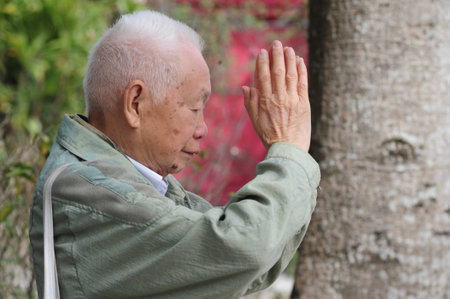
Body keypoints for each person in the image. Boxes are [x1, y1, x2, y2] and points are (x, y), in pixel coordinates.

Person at [29, 10, 320, 298]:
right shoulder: (85, 187)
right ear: (135, 103)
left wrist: (290, 155)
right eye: (194, 109)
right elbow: (244, 247)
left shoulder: (128, 180)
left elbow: (248, 265)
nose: (202, 128)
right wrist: (289, 151)